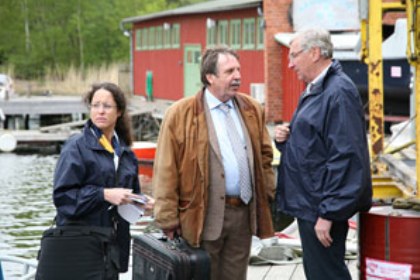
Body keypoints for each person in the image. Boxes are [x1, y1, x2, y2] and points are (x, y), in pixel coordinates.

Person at [153, 46, 275, 280]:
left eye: (238, 69)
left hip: (242, 215)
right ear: (210, 77)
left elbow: (265, 155)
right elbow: (166, 170)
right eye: (229, 71)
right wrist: (168, 218)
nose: (238, 76)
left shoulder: (251, 108)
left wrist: (267, 192)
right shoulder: (180, 113)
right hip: (201, 215)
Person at [274, 28, 372, 280]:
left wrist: (328, 214)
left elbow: (346, 158)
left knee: (327, 274)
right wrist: (286, 140)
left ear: (315, 53)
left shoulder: (337, 92)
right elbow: (315, 147)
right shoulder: (317, 88)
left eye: (294, 55)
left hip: (321, 208)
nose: (290, 63)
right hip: (312, 204)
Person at [52, 82, 154, 279]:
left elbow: (129, 197)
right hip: (80, 246)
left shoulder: (126, 153)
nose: (100, 111)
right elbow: (63, 198)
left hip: (113, 247)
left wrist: (142, 202)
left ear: (119, 112)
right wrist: (104, 194)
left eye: (106, 106)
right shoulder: (75, 147)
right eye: (95, 105)